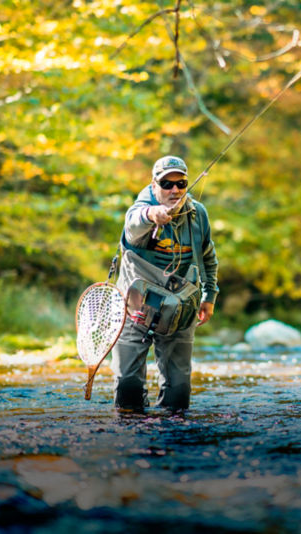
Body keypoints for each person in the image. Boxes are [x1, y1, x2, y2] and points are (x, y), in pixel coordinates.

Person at [111, 155, 219, 412]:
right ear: (154, 184)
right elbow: (133, 225)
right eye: (166, 184)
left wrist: (209, 296)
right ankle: (132, 434)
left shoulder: (198, 215)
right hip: (135, 308)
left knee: (179, 390)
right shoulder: (139, 211)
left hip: (181, 308)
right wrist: (152, 214)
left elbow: (209, 258)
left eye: (181, 184)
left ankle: (172, 440)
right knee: (127, 385)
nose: (174, 190)